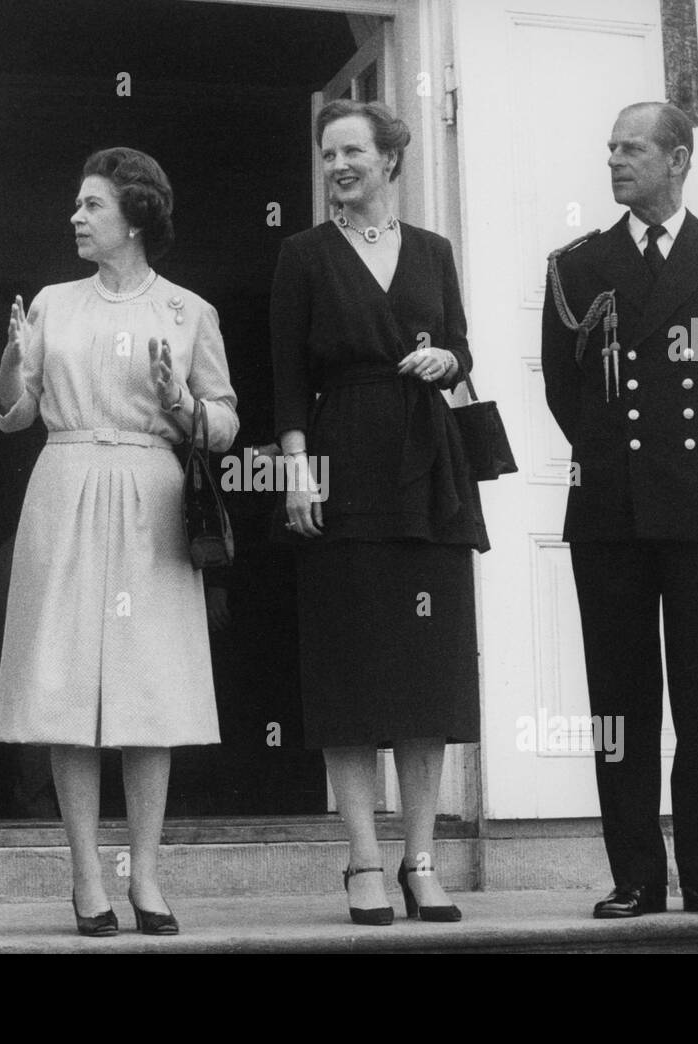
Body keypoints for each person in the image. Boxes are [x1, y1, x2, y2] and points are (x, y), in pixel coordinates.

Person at [0, 147, 238, 936]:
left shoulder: (188, 312)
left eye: (91, 205)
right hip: (64, 486)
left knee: (148, 688)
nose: (75, 216)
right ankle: (86, 876)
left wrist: (183, 406)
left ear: (133, 220)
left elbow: (225, 422)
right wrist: (10, 364)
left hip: (151, 496)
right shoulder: (53, 305)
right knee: (67, 685)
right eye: (77, 203)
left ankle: (149, 877)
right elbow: (14, 414)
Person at [541, 101, 698, 919]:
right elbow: (566, 391)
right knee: (619, 702)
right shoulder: (577, 265)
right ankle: (637, 873)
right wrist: (623, 460)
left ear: (679, 159)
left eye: (633, 149)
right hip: (609, 509)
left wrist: (691, 460)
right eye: (609, 148)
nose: (615, 161)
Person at [271, 100, 489, 926]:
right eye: (328, 153)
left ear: (391, 159)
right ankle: (364, 857)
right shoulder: (303, 255)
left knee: (427, 673)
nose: (338, 165)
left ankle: (421, 861)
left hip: (428, 469)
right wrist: (296, 470)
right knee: (349, 664)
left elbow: (464, 344)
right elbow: (287, 373)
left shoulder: (433, 250)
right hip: (340, 459)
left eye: (353, 151)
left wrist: (448, 356)